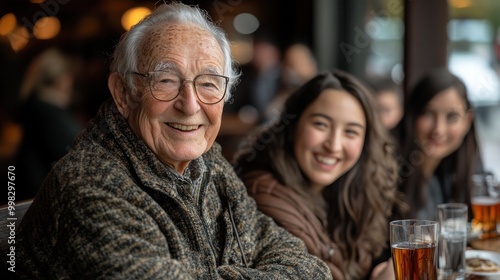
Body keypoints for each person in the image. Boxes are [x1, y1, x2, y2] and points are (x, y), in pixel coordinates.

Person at [15, 3, 332, 279]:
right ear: (123, 94)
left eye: (209, 83)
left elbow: (309, 266)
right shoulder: (89, 184)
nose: (191, 104)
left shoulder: (208, 163)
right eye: (165, 81)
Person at [234, 71, 403, 279]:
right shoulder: (264, 192)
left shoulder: (346, 190)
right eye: (321, 125)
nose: (333, 145)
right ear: (293, 126)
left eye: (351, 132)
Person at [393, 68, 482, 220]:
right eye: (428, 113)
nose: (438, 129)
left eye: (451, 117)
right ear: (412, 116)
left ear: (467, 121)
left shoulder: (460, 171)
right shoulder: (385, 173)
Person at [13, 47, 83, 202]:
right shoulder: (52, 114)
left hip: (28, 196)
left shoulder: (36, 106)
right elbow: (81, 159)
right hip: (43, 199)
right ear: (63, 79)